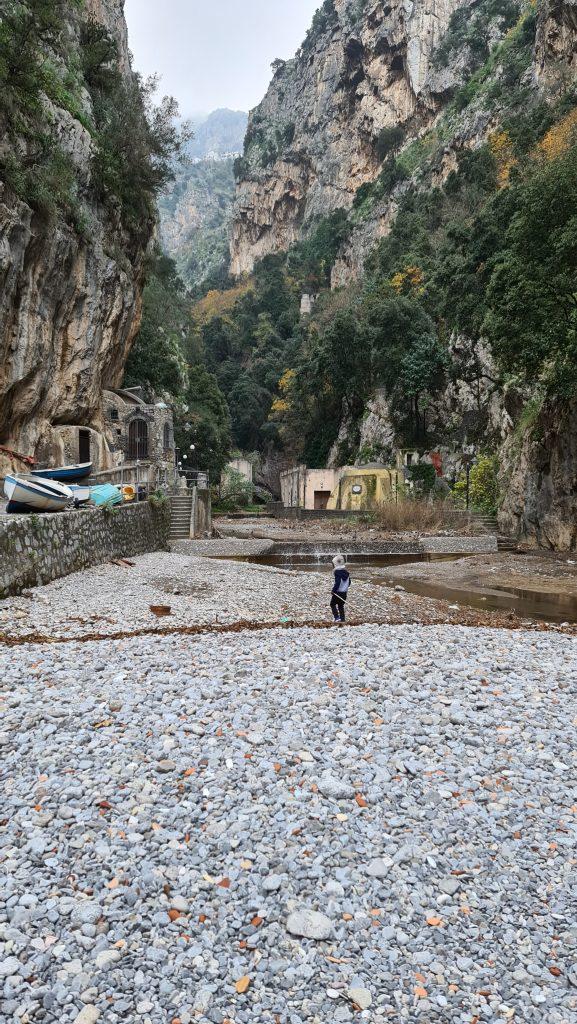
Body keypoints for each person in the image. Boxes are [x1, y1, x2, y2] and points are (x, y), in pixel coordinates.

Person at [330, 554, 351, 623]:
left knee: (332, 604)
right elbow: (349, 582)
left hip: (338, 592)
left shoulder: (337, 572)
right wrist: (344, 588)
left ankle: (336, 618)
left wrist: (333, 590)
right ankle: (343, 619)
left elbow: (338, 582)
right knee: (340, 606)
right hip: (344, 593)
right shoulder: (347, 573)